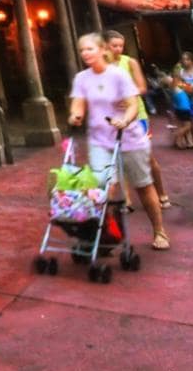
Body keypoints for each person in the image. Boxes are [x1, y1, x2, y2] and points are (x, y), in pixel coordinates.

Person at [69, 32, 169, 250]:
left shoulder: (118, 75)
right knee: (102, 185)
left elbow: (132, 103)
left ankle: (159, 231)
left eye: (90, 49)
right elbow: (78, 102)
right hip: (99, 139)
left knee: (143, 185)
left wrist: (125, 119)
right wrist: (75, 115)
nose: (85, 53)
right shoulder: (82, 78)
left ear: (103, 50)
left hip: (128, 137)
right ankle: (104, 233)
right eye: (82, 50)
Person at [106, 29, 171, 207]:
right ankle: (127, 198)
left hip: (136, 115)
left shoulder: (129, 62)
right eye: (114, 46)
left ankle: (161, 192)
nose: (118, 49)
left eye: (121, 46)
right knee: (120, 157)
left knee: (146, 157)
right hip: (113, 116)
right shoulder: (100, 66)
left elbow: (142, 87)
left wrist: (124, 96)